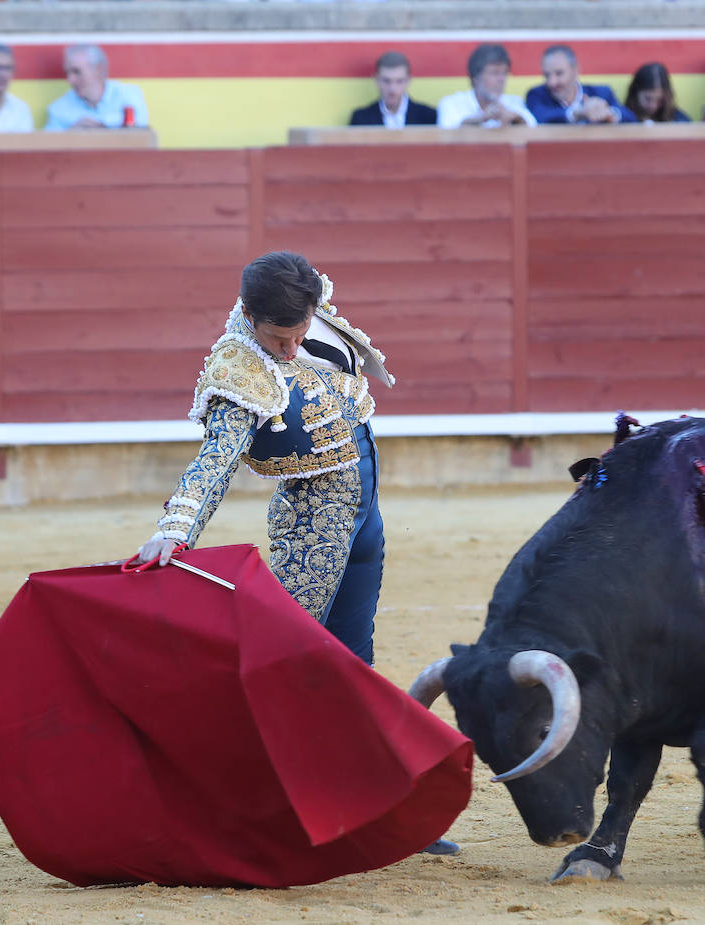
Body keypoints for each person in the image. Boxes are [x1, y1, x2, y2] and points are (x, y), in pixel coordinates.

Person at [132, 252, 459, 856]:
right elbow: (216, 461)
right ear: (250, 317)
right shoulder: (239, 369)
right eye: (278, 337)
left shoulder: (310, 311)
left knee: (353, 664)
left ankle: (380, 813)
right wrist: (176, 531)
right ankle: (256, 812)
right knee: (291, 673)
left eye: (298, 333)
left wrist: (303, 331)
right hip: (313, 530)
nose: (289, 348)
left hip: (364, 516)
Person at [45, 44, 149, 130]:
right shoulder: (59, 108)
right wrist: (71, 136)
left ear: (98, 69)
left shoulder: (127, 95)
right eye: (67, 73)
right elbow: (46, 148)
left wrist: (102, 127)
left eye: (76, 72)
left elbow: (141, 129)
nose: (70, 80)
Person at [525, 44, 635, 124]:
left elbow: (631, 118)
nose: (551, 82)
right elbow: (539, 118)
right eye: (547, 75)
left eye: (559, 73)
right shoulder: (536, 94)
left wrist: (609, 113)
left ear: (576, 70)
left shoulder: (602, 93)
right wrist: (578, 113)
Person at [436, 44, 536, 128]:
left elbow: (535, 128)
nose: (501, 79)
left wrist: (517, 120)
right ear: (475, 78)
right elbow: (449, 131)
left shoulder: (514, 102)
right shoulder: (451, 103)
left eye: (504, 73)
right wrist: (482, 118)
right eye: (495, 73)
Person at [349, 51, 438, 128]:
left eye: (399, 81)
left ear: (408, 80)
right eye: (386, 81)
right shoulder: (360, 118)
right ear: (376, 79)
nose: (392, 88)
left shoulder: (429, 116)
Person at [623, 62, 691, 122]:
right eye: (647, 98)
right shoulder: (623, 118)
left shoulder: (678, 120)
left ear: (667, 96)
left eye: (660, 100)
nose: (653, 106)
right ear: (635, 94)